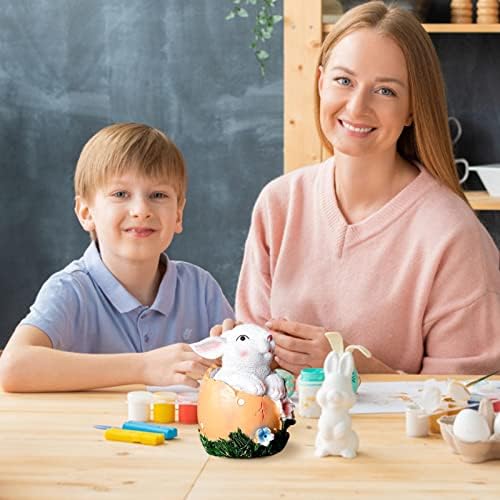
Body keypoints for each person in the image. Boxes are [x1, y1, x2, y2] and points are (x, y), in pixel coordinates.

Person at [230, 2, 500, 375]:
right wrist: (238, 349)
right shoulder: (279, 204)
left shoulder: (453, 236)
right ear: (321, 82)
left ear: (411, 109)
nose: (357, 106)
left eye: (386, 91)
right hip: (286, 435)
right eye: (344, 81)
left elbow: (467, 402)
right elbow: (253, 369)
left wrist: (353, 367)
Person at [0, 123, 233, 392]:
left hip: (180, 434)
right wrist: (144, 367)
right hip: (87, 433)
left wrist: (237, 350)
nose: (141, 210)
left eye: (158, 195)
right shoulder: (71, 289)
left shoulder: (200, 288)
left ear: (178, 215)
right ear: (86, 213)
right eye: (121, 194)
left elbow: (238, 370)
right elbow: (13, 367)